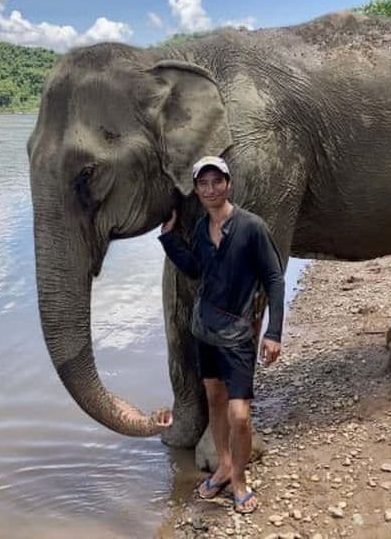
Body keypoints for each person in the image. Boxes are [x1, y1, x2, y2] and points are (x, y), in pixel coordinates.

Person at [158, 155, 285, 515]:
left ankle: (240, 479)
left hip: (238, 335)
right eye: (203, 184)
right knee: (215, 400)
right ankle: (225, 466)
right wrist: (169, 240)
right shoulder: (200, 228)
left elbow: (274, 280)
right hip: (205, 331)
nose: (210, 189)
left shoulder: (251, 227)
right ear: (197, 189)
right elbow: (197, 269)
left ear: (228, 184)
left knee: (240, 414)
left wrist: (273, 332)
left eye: (216, 182)